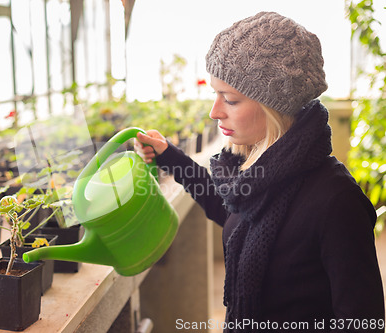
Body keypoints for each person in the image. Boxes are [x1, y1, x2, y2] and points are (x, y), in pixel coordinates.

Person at [134, 12, 385, 333]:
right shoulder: (252, 175)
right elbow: (230, 209)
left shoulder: (337, 202)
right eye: (215, 94)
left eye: (231, 99)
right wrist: (169, 156)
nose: (215, 111)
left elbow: (363, 321)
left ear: (275, 106)